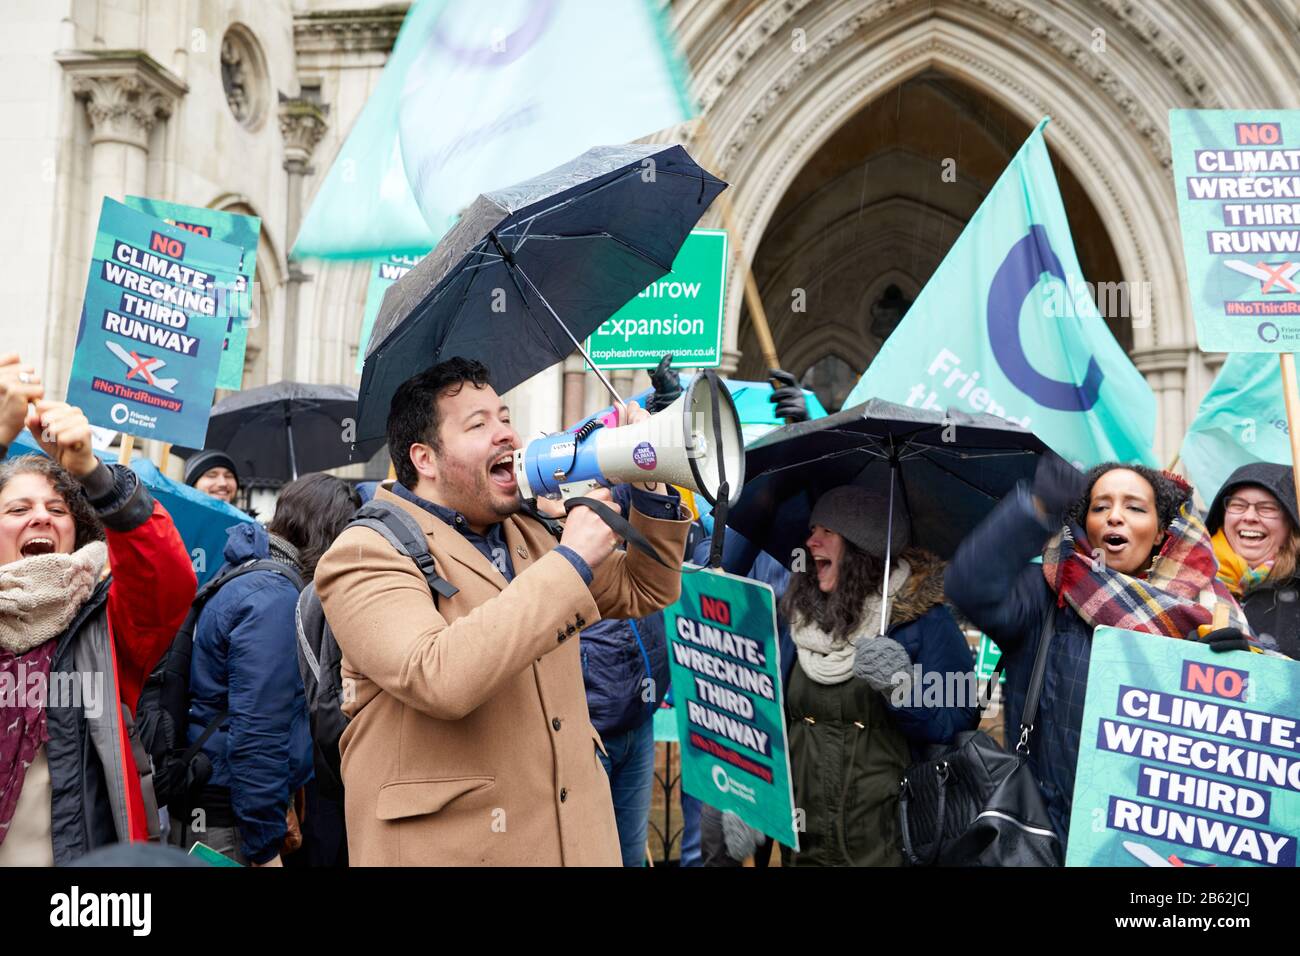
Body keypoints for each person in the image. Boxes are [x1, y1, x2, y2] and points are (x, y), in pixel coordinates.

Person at [314, 357, 691, 866]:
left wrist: (649, 483)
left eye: (506, 418)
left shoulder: (529, 532)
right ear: (424, 458)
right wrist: (571, 560)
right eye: (479, 424)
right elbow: (438, 678)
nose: (507, 436)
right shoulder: (365, 553)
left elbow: (648, 587)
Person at [945, 456, 1254, 848]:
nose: (1115, 517)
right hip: (1050, 835)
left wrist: (1242, 669)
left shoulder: (1209, 611)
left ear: (1161, 532)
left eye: (1135, 508)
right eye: (1100, 506)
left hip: (1156, 842)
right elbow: (970, 585)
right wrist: (1035, 506)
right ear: (1085, 523)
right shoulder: (1048, 595)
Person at [0, 354, 196, 865]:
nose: (40, 516)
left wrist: (92, 473)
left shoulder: (104, 617)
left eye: (57, 509)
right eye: (18, 509)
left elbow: (168, 581)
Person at [774, 485, 978, 866]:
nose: (811, 541)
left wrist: (903, 690)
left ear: (861, 547)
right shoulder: (797, 620)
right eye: (813, 528)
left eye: (827, 532)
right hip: (805, 846)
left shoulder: (926, 621)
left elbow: (958, 724)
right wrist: (755, 806)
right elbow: (775, 725)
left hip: (886, 846)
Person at [179, 473, 358, 866]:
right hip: (233, 814)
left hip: (226, 798)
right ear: (326, 535)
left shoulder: (252, 572)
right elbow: (258, 730)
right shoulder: (274, 598)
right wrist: (265, 846)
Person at [1206, 462, 1300, 659]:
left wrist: (1254, 657)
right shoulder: (1188, 581)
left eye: (1267, 508)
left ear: (1290, 521)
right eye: (1238, 506)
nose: (1249, 517)